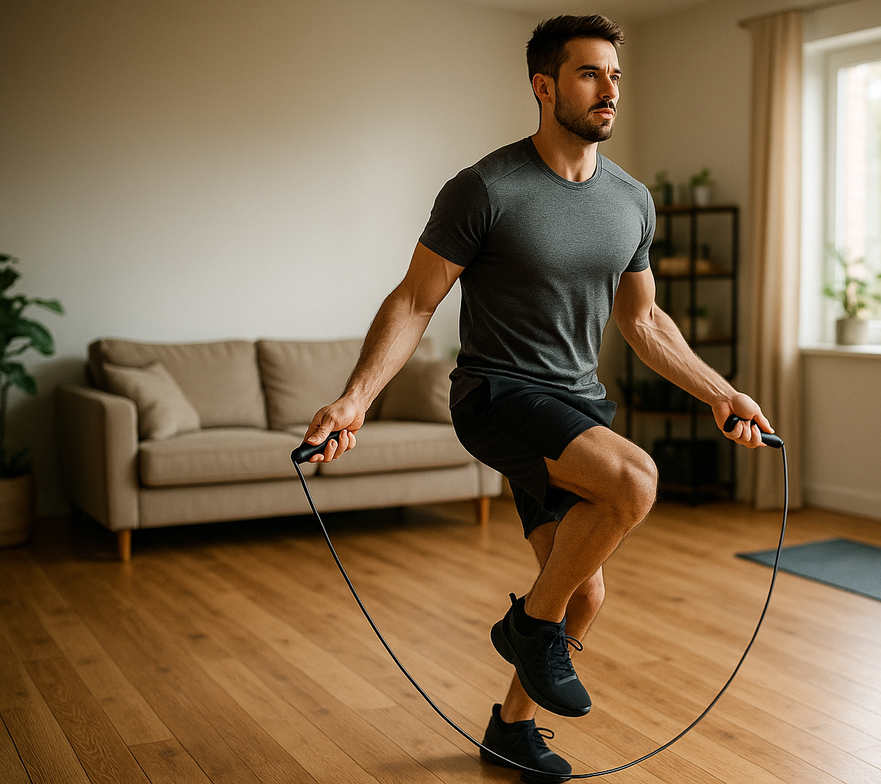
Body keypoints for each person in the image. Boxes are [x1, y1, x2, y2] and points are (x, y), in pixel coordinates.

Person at [302, 14, 774, 784]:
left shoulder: (632, 201)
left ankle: (511, 727)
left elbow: (643, 321)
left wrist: (723, 394)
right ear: (544, 87)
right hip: (497, 393)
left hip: (578, 409)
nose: (608, 89)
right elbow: (415, 300)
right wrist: (356, 399)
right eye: (589, 74)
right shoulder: (485, 188)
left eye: (615, 75)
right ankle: (528, 626)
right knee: (635, 480)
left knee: (581, 594)